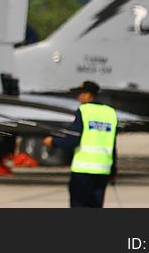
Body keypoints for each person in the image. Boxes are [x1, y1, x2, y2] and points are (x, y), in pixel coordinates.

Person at [43, 80, 117, 208]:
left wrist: (53, 142)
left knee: (79, 205)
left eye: (81, 94)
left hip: (83, 170)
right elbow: (113, 143)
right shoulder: (110, 113)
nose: (79, 97)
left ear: (88, 95)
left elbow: (73, 139)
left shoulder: (84, 111)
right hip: (103, 170)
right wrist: (113, 169)